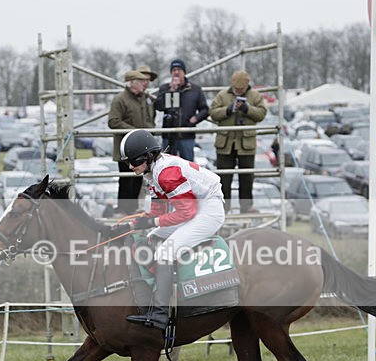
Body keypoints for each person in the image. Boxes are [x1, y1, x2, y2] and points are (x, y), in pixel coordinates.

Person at [114, 129, 224, 332]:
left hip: (208, 210)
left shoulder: (165, 173)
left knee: (165, 251)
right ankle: (160, 290)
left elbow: (187, 213)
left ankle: (159, 314)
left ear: (148, 156)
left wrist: (152, 221)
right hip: (195, 206)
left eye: (134, 161)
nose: (130, 167)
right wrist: (131, 225)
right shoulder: (152, 172)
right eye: (128, 162)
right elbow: (158, 210)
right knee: (151, 237)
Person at [209, 70, 269, 213]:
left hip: (246, 144)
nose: (238, 91)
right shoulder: (223, 95)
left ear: (247, 85)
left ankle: (246, 206)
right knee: (224, 177)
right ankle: (223, 207)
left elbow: (261, 114)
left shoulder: (255, 96)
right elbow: (212, 113)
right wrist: (228, 110)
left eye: (241, 89)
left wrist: (247, 109)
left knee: (247, 177)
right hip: (225, 144)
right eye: (236, 89)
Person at [108, 70, 156, 215]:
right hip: (125, 147)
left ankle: (132, 209)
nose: (144, 85)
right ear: (132, 83)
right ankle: (123, 209)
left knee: (136, 179)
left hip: (139, 147)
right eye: (141, 82)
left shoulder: (143, 99)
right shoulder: (120, 99)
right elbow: (113, 121)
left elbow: (148, 118)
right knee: (126, 179)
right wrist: (134, 131)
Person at [154, 59, 208, 162]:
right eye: (174, 70)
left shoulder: (195, 89)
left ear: (184, 72)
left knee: (187, 166)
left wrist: (195, 118)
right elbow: (158, 106)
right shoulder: (165, 88)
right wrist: (171, 91)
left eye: (179, 69)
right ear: (171, 73)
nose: (176, 72)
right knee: (166, 165)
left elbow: (205, 109)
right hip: (168, 134)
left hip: (186, 134)